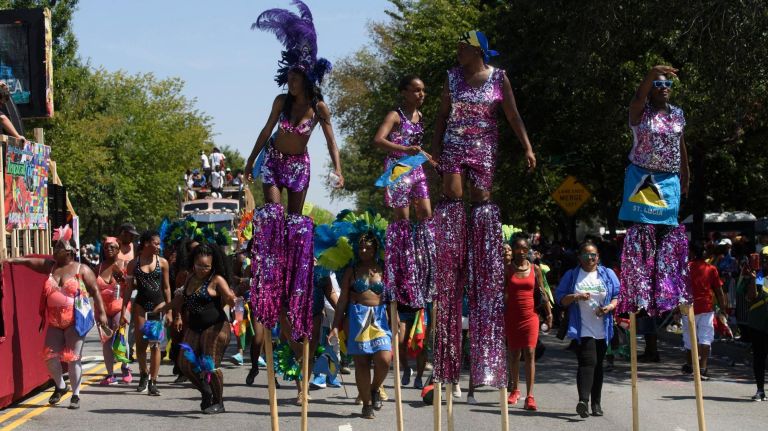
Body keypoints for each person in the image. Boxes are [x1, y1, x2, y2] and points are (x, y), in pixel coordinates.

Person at [245, 0, 344, 400]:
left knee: (295, 222)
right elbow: (265, 129)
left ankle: (290, 253)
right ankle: (270, 254)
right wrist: (251, 159)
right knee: (271, 213)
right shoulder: (280, 103)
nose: (290, 80)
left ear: (306, 76)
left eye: (295, 75)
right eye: (287, 74)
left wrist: (338, 170)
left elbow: (332, 142)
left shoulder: (318, 108)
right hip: (275, 159)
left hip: (300, 165)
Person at [430, 29, 535, 391]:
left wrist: (527, 147)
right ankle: (453, 241)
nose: (457, 53)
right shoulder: (451, 79)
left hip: (484, 144)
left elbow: (513, 115)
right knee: (452, 193)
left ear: (477, 51)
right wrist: (435, 154)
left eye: (462, 48)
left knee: (481, 200)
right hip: (455, 142)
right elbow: (442, 117)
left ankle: (479, 240)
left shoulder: (498, 78)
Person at [2, 226, 108, 409]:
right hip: (54, 321)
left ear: (69, 251)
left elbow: (95, 292)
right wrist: (10, 259)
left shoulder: (82, 269)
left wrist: (102, 313)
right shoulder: (50, 266)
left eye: (59, 247)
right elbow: (28, 263)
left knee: (73, 358)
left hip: (75, 321)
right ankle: (60, 386)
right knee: (50, 356)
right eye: (55, 246)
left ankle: (76, 394)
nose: (54, 249)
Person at [618, 65, 691, 317]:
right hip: (643, 176)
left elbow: (680, 143)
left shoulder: (678, 114)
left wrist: (686, 174)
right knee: (643, 233)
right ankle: (639, 291)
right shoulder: (640, 112)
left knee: (669, 234)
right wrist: (650, 73)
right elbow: (638, 98)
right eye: (658, 85)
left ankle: (668, 292)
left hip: (669, 178)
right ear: (650, 90)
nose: (663, 89)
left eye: (667, 85)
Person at [329, 233, 392, 419]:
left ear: (376, 248)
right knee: (362, 363)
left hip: (379, 318)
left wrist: (394, 317)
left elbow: (390, 298)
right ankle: (367, 404)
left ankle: (373, 389)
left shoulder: (384, 269)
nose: (364, 250)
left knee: (384, 358)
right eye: (361, 247)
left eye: (368, 247)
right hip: (356, 318)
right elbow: (342, 301)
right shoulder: (352, 270)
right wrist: (335, 325)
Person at [555, 241, 620, 418]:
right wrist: (576, 296)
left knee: (598, 365)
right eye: (586, 255)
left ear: (598, 257)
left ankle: (596, 403)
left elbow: (617, 296)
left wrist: (609, 308)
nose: (590, 258)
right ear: (579, 257)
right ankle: (583, 401)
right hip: (581, 327)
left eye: (593, 255)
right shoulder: (572, 275)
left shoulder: (607, 274)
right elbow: (560, 299)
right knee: (587, 361)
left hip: (603, 327)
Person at [171, 244, 235, 414]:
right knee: (184, 364)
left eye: (206, 266)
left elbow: (229, 297)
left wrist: (233, 300)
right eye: (199, 265)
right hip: (194, 326)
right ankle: (206, 392)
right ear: (193, 263)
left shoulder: (217, 280)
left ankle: (219, 402)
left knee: (210, 366)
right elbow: (181, 299)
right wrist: (175, 315)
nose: (202, 269)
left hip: (215, 327)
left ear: (212, 266)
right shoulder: (190, 277)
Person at [121, 231, 172, 396]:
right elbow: (128, 289)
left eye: (159, 243)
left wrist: (169, 310)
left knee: (155, 344)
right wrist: (123, 310)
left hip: (157, 306)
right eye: (156, 243)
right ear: (146, 244)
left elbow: (166, 288)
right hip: (141, 306)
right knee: (141, 344)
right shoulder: (133, 264)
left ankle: (153, 381)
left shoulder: (162, 262)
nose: (159, 246)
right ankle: (143, 373)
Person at [504, 238, 552, 411]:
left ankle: (530, 396)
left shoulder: (535, 269)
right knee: (514, 353)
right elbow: (501, 293)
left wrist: (549, 313)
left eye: (524, 248)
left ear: (529, 250)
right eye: (517, 248)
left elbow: (542, 291)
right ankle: (515, 390)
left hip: (531, 317)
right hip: (512, 317)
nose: (521, 251)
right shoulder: (507, 269)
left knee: (530, 352)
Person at [682, 240, 727, 380]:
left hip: (688, 308)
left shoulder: (686, 267)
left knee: (690, 337)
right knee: (705, 338)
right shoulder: (710, 268)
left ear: (693, 252)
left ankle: (690, 365)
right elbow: (719, 291)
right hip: (706, 308)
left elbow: (680, 289)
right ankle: (703, 368)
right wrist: (723, 309)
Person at [97, 237, 133, 385]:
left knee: (120, 338)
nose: (109, 249)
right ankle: (110, 375)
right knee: (106, 342)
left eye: (112, 247)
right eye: (106, 247)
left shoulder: (125, 264)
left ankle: (125, 368)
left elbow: (131, 287)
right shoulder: (98, 267)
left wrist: (123, 278)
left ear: (118, 249)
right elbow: (92, 289)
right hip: (103, 311)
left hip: (121, 307)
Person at [744, 247, 768, 401]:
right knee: (759, 358)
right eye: (763, 259)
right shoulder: (758, 276)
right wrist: (752, 278)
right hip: (759, 325)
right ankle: (760, 390)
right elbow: (751, 297)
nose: (765, 262)